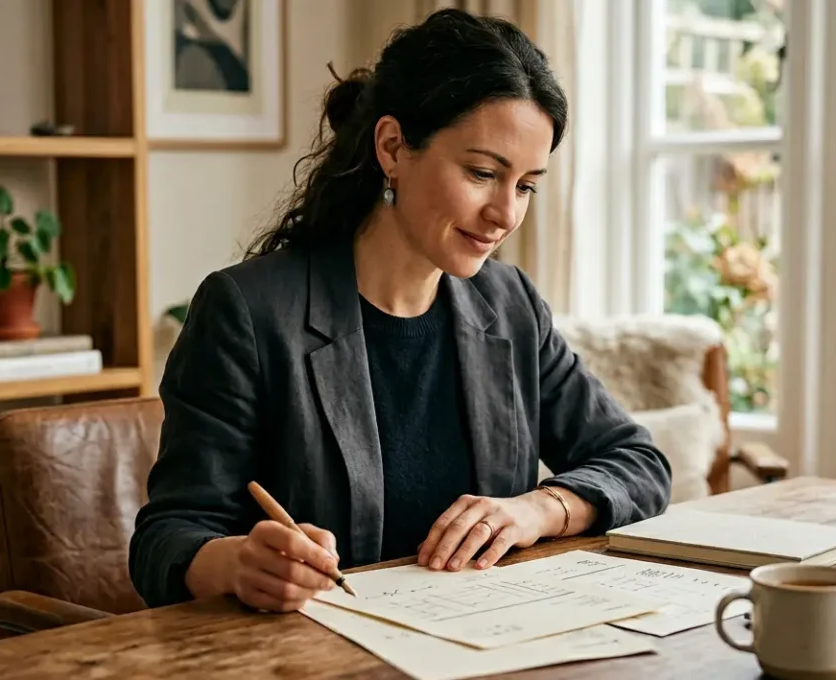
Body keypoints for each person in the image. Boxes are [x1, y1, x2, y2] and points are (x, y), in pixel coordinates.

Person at [129, 8, 672, 614]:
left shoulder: (511, 305)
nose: (505, 214)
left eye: (525, 185)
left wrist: (538, 509)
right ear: (393, 148)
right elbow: (167, 538)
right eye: (482, 173)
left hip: (485, 645)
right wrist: (235, 563)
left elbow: (638, 462)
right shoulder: (249, 312)